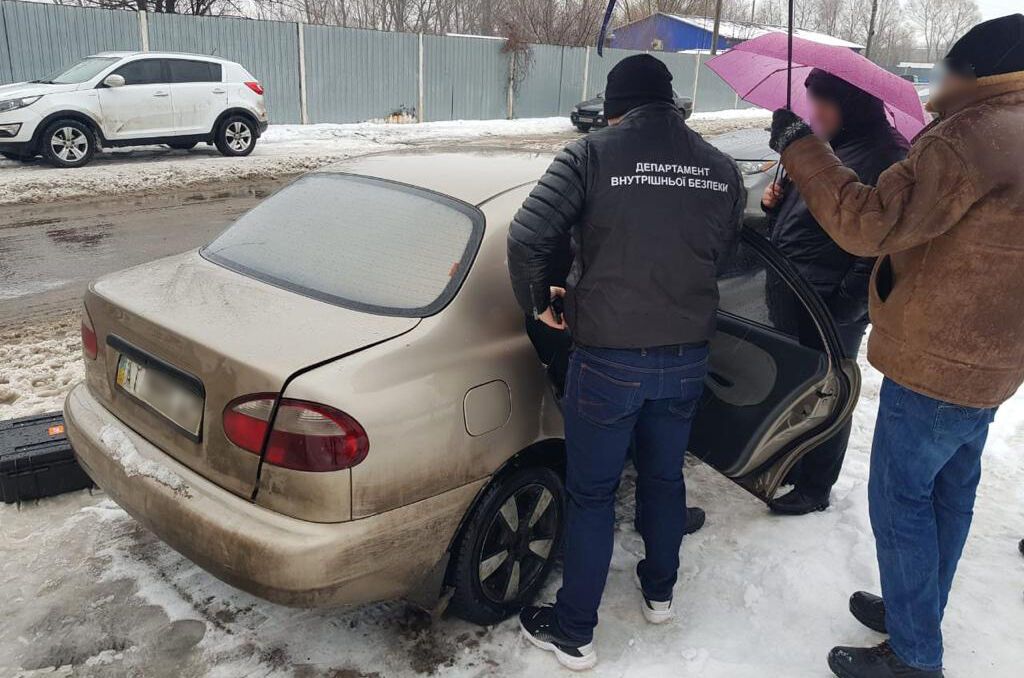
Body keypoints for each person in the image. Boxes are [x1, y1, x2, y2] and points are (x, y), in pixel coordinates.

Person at [768, 14, 1024, 678]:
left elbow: (868, 223)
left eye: (950, 69)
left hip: (938, 357)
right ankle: (919, 608)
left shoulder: (970, 135)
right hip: (993, 358)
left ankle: (913, 657)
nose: (943, 81)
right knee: (949, 493)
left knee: (901, 501)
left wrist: (799, 147)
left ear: (974, 73)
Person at [507, 54, 744, 670]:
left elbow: (528, 236)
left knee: (591, 495)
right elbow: (719, 253)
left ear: (615, 105)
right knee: (666, 478)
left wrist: (541, 303)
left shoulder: (590, 154)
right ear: (673, 103)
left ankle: (575, 631)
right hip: (687, 357)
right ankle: (659, 592)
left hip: (607, 360)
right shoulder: (721, 167)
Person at [761, 70, 909, 516]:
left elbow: (881, 244)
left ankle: (816, 485)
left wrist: (847, 302)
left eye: (825, 102)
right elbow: (808, 222)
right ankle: (793, 461)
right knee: (797, 385)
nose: (815, 112)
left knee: (829, 391)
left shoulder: (887, 155)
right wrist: (777, 205)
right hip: (794, 285)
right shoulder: (831, 149)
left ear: (853, 103)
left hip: (830, 299)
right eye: (812, 101)